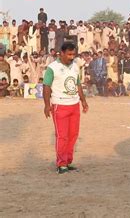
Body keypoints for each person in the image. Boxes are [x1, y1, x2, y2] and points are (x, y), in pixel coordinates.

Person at [43, 42, 89, 174]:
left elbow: (78, 84)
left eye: (73, 54)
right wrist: (47, 105)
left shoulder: (75, 66)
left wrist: (83, 101)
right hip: (60, 105)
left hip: (74, 105)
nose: (71, 57)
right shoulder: (52, 68)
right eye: (69, 54)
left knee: (73, 135)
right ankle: (61, 164)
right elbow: (46, 86)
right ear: (61, 53)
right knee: (62, 136)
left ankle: (68, 161)